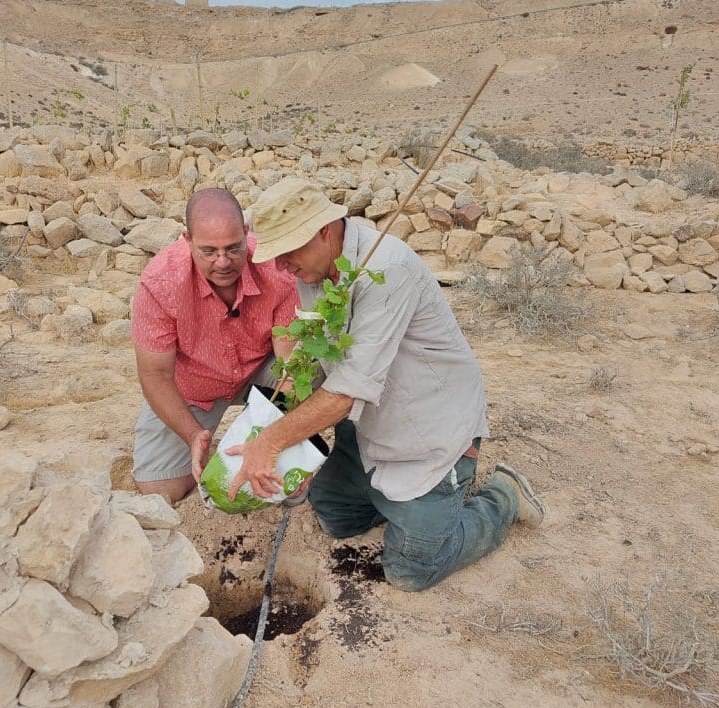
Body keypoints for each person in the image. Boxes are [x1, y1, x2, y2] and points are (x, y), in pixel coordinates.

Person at [224, 176, 545, 592]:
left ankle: (503, 497)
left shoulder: (386, 269)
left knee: (411, 570)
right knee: (337, 517)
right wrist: (295, 445)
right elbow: (327, 363)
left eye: (286, 252)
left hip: (431, 431)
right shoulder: (315, 272)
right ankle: (401, 506)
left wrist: (270, 443)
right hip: (372, 426)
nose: (280, 266)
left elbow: (346, 391)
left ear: (323, 231)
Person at [130, 187, 297, 503]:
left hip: (260, 373)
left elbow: (290, 368)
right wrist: (193, 436)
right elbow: (155, 376)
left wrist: (272, 439)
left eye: (233, 248)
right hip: (193, 387)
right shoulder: (159, 284)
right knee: (160, 490)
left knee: (314, 373)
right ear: (187, 240)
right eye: (208, 251)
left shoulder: (275, 269)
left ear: (246, 234)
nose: (223, 262)